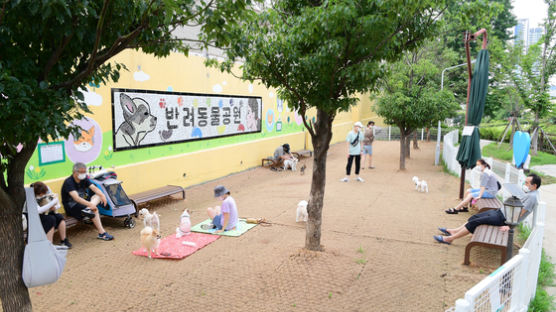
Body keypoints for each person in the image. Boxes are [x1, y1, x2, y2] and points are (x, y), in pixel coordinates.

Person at [434, 174, 541, 245]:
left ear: (534, 185)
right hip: (500, 212)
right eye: (525, 182)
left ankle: (449, 239)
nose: (524, 184)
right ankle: (453, 231)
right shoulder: (530, 193)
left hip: (503, 219)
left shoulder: (532, 197)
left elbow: (521, 213)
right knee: (475, 217)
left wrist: (509, 226)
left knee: (476, 222)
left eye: (527, 183)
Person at [61, 162, 114, 241]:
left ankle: (87, 209)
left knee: (98, 196)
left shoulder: (84, 178)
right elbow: (76, 198)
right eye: (81, 172)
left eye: (84, 172)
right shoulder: (69, 182)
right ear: (75, 172)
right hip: (72, 206)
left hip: (83, 203)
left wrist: (103, 195)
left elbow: (94, 188)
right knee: (94, 210)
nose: (83, 174)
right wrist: (91, 205)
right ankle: (102, 233)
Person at [31, 182, 72, 248]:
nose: (43, 195)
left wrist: (54, 207)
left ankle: (63, 240)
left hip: (46, 212)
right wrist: (52, 203)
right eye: (41, 194)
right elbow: (38, 210)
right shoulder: (30, 195)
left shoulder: (46, 189)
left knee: (59, 217)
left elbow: (58, 204)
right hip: (34, 216)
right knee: (50, 219)